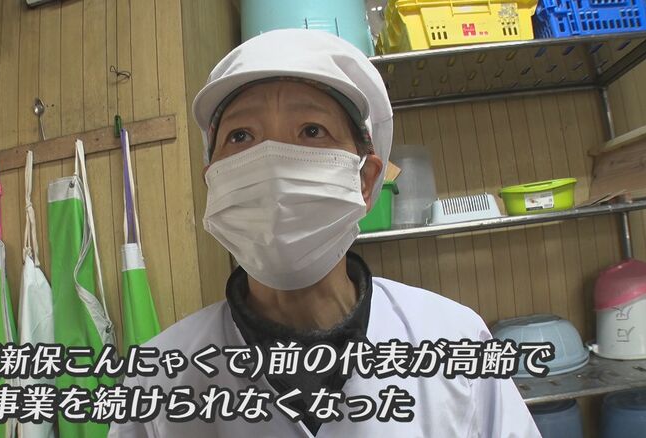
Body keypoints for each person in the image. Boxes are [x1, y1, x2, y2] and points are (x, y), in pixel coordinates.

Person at [109, 28, 541, 437]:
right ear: (214, 180)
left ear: (365, 180)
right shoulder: (158, 379)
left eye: (311, 131)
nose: (272, 163)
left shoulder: (454, 340)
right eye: (240, 136)